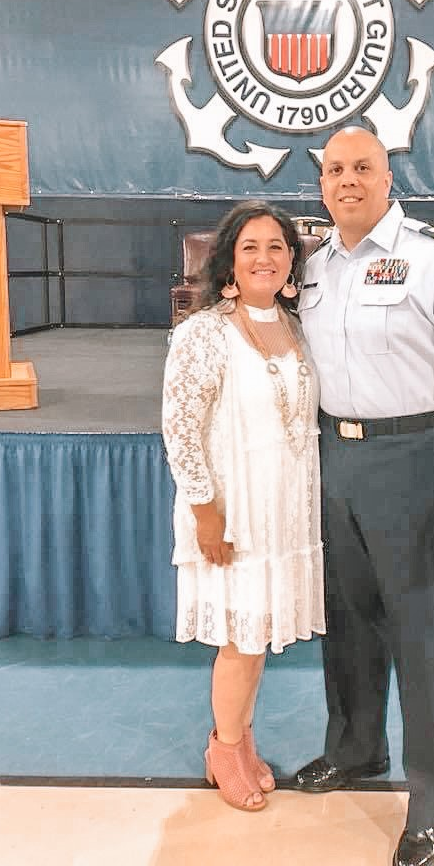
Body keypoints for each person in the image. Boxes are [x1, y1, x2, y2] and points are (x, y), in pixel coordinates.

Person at [294, 127, 434, 866]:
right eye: (334, 169)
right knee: (349, 622)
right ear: (321, 182)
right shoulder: (314, 264)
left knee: (416, 632)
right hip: (334, 458)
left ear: (389, 177)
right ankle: (356, 750)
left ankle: (430, 801)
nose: (347, 180)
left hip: (413, 458)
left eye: (362, 167)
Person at [162, 200, 325, 812]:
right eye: (251, 246)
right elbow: (180, 428)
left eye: (277, 247)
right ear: (229, 257)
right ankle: (223, 748)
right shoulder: (203, 331)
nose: (265, 258)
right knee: (240, 638)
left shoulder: (297, 325)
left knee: (256, 636)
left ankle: (241, 740)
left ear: (292, 260)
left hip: (283, 509)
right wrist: (206, 511)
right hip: (232, 508)